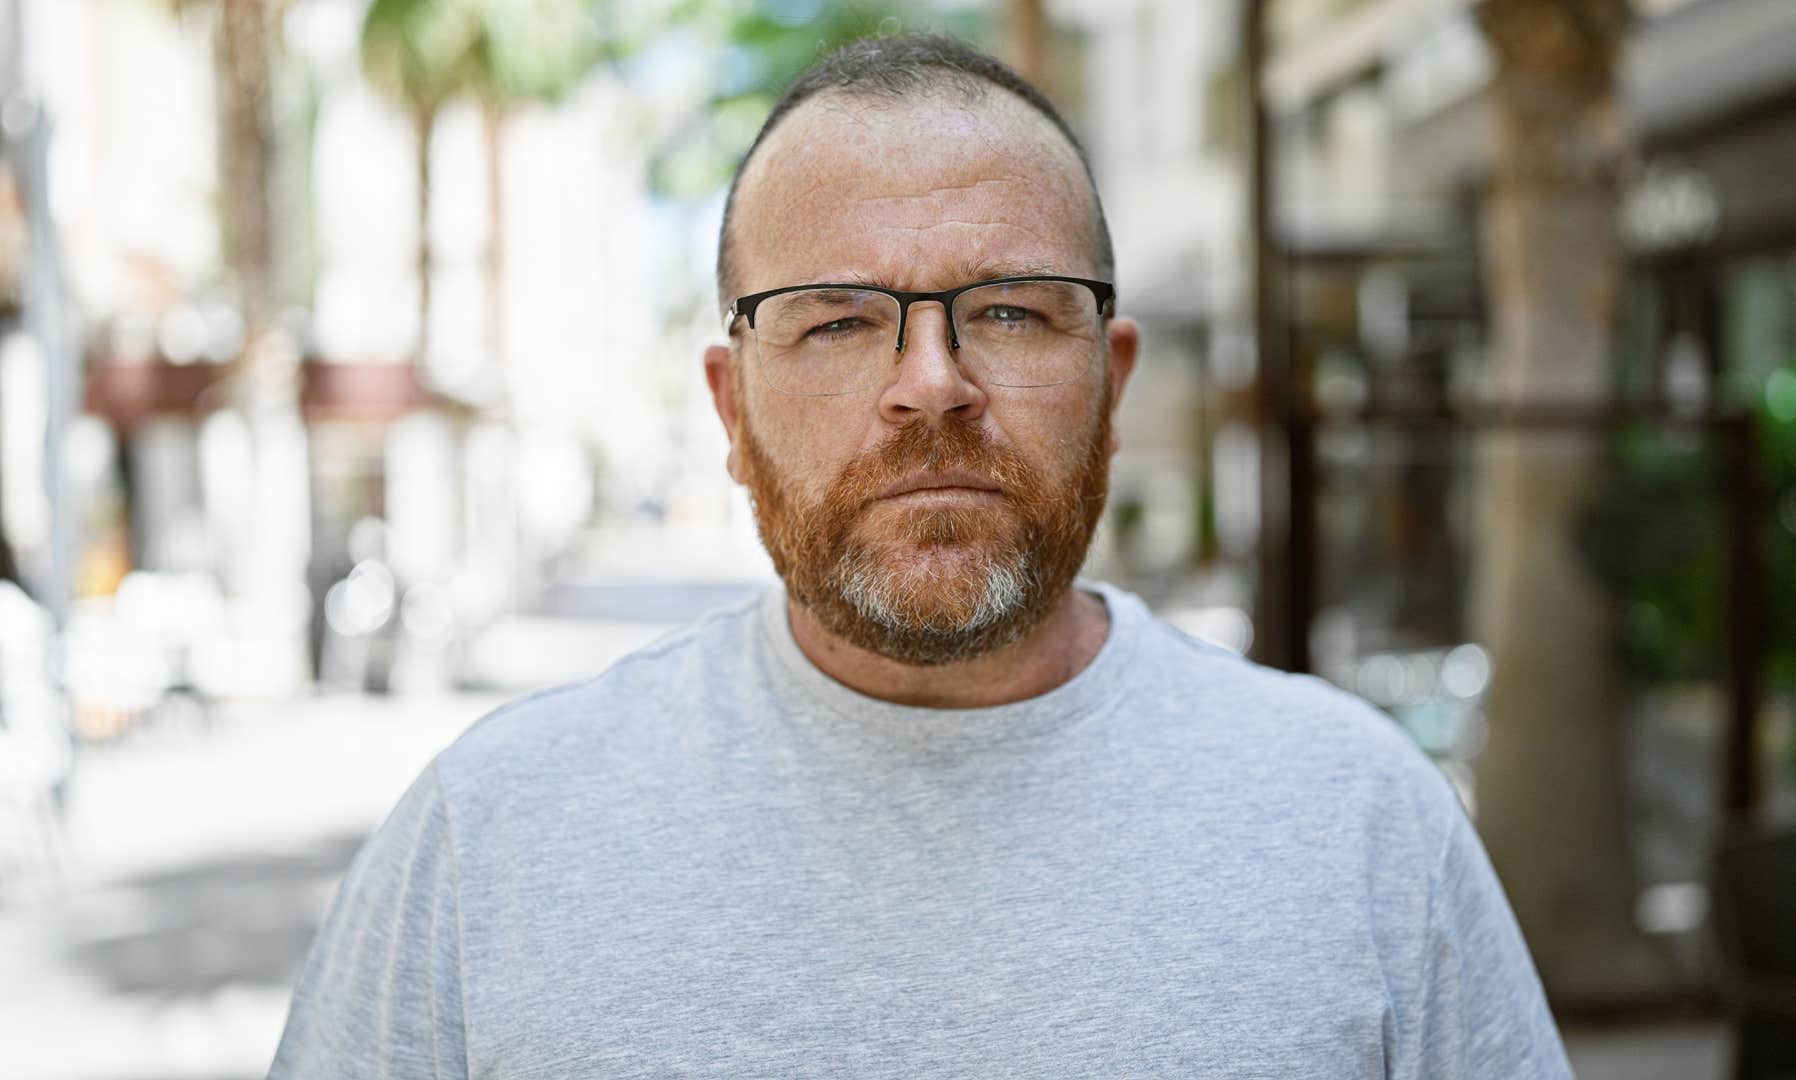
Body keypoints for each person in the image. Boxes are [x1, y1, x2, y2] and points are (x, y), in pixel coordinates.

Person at [270, 35, 1572, 1079]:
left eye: (1009, 309)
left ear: (1112, 383)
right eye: (837, 322)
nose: (930, 386)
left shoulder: (1355, 819)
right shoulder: (492, 835)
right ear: (731, 408)